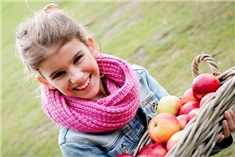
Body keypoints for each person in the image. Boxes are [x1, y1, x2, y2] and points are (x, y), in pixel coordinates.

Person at [15, 3, 235, 157]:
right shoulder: (75, 143)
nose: (77, 76)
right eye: (58, 74)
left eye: (78, 59)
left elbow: (182, 127)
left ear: (90, 46)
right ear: (45, 82)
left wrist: (214, 135)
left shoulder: (137, 76)